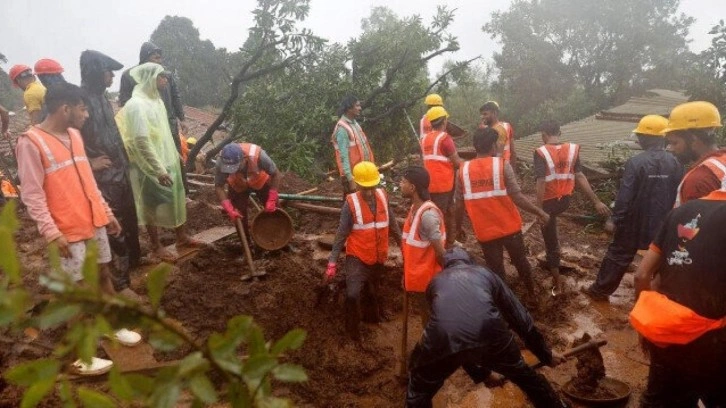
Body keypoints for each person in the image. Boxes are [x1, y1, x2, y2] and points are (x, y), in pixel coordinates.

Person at [15, 83, 141, 375]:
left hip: (91, 220)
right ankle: (80, 356)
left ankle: (112, 326)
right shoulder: (31, 143)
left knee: (103, 275)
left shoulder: (74, 135)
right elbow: (32, 194)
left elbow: (87, 180)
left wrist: (106, 213)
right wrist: (51, 231)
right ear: (65, 108)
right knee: (78, 290)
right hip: (66, 229)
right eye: (83, 109)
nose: (87, 114)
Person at [406, 248, 568, 408]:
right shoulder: (486, 274)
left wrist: (483, 375)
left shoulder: (435, 282)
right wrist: (545, 355)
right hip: (491, 333)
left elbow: (457, 339)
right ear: (470, 261)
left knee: (419, 390)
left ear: (445, 266)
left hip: (441, 337)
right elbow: (520, 319)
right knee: (528, 379)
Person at [631, 176, 726, 407]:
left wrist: (647, 328)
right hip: (711, 338)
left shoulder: (681, 211)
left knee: (659, 399)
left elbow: (641, 275)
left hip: (666, 329)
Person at [584, 115, 683, 301]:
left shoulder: (636, 162)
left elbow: (625, 196)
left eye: (640, 135)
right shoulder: (676, 163)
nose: (638, 139)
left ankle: (600, 291)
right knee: (660, 261)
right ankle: (654, 299)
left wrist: (615, 219)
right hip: (663, 223)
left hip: (633, 223)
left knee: (618, 255)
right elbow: (679, 195)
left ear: (645, 138)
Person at [115, 62, 199, 259]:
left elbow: (164, 132)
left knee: (177, 196)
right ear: (150, 78)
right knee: (151, 203)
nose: (166, 79)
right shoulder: (136, 105)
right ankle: (156, 245)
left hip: (166, 158)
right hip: (148, 165)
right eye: (161, 76)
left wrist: (175, 153)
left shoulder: (157, 101)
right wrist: (158, 170)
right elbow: (141, 141)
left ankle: (182, 236)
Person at [455, 128, 549, 297]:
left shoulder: (462, 171)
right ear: (492, 146)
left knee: (496, 271)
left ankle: (505, 306)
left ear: (475, 146)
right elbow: (518, 197)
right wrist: (539, 212)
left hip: (485, 232)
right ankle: (532, 294)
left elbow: (458, 205)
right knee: (521, 262)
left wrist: (458, 227)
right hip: (510, 227)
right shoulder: (501, 165)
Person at [79, 50, 142, 296]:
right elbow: (68, 137)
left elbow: (113, 134)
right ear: (96, 71)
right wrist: (89, 161)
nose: (112, 76)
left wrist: (125, 162)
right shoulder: (80, 99)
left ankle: (134, 263)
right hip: (102, 176)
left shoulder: (103, 99)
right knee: (112, 227)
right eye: (108, 71)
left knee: (129, 218)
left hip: (119, 169)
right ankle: (119, 281)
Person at [325, 161, 402, 340]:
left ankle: (374, 318)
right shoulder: (351, 204)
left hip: (378, 256)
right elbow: (340, 235)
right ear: (358, 185)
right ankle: (352, 331)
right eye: (365, 188)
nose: (369, 192)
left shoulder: (383, 196)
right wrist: (332, 262)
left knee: (373, 290)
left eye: (372, 187)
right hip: (357, 257)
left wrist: (403, 247)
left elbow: (394, 225)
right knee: (352, 294)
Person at [534, 120, 611, 294]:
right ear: (559, 132)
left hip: (549, 203)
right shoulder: (572, 150)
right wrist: (596, 201)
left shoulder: (541, 152)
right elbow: (580, 176)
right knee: (553, 229)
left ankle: (557, 282)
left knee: (550, 240)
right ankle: (556, 263)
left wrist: (538, 210)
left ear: (543, 134)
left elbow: (540, 181)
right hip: (565, 200)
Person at [119, 42, 189, 191]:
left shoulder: (166, 75)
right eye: (156, 57)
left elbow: (176, 97)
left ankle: (181, 191)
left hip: (168, 124)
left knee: (175, 158)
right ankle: (155, 192)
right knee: (150, 157)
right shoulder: (130, 76)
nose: (160, 61)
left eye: (160, 58)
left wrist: (182, 119)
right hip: (146, 127)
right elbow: (124, 103)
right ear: (145, 58)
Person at [216, 142, 280, 255]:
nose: (233, 171)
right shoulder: (221, 162)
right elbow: (219, 186)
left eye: (235, 167)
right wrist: (228, 208)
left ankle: (280, 241)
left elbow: (276, 174)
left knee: (275, 209)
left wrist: (272, 198)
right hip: (237, 185)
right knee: (239, 215)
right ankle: (247, 247)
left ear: (243, 159)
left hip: (259, 180)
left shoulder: (258, 155)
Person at [663, 101, 725, 207]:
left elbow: (692, 223)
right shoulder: (722, 160)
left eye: (675, 142)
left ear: (693, 138)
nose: (671, 149)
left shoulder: (697, 181)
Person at [400, 166, 446, 295]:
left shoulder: (428, 216)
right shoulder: (414, 209)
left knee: (430, 314)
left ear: (412, 188)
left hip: (429, 284)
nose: (400, 185)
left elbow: (441, 254)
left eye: (403, 182)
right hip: (419, 281)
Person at [420, 106, 462, 247]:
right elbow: (457, 163)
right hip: (444, 184)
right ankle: (442, 244)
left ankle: (449, 241)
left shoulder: (425, 139)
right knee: (443, 214)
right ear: (444, 121)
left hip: (429, 184)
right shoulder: (445, 139)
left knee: (443, 212)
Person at [331, 95, 375, 195]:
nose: (360, 108)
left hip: (363, 173)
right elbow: (343, 157)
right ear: (349, 108)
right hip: (354, 177)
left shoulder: (355, 124)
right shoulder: (342, 129)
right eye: (357, 106)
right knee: (353, 206)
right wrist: (350, 180)